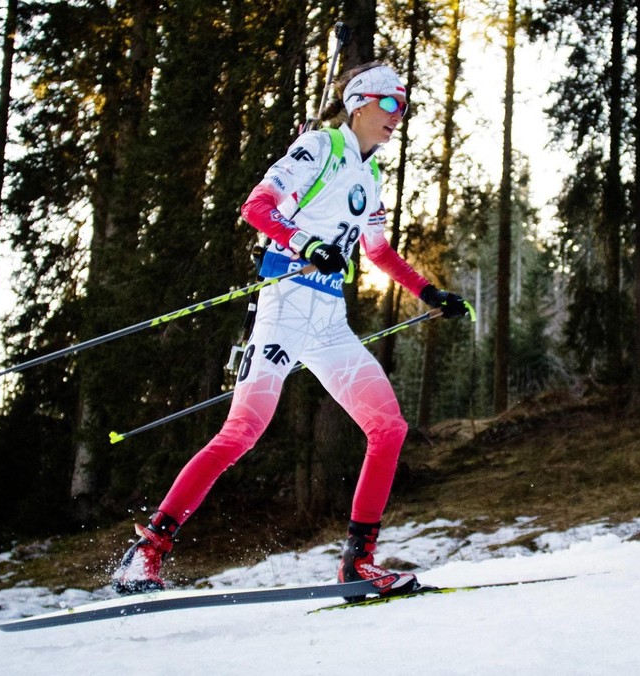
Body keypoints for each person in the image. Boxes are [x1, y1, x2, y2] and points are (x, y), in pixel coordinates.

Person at [111, 62, 469, 597]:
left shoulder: (370, 178)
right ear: (359, 103)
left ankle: (357, 564)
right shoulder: (319, 147)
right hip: (284, 304)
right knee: (242, 433)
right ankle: (147, 554)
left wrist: (428, 292)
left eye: (405, 106)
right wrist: (307, 244)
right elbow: (255, 207)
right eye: (391, 104)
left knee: (388, 428)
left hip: (328, 321)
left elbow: (377, 252)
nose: (400, 116)